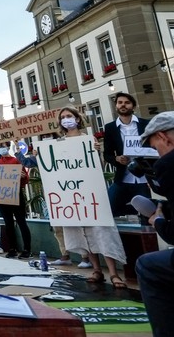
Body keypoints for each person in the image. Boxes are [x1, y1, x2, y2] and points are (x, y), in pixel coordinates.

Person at [58, 107, 128, 289]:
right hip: (72, 193)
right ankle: (96, 270)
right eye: (63, 117)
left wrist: (95, 151)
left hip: (91, 192)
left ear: (77, 119)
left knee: (102, 230)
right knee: (85, 232)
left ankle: (113, 272)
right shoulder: (58, 144)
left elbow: (97, 166)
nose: (66, 119)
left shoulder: (89, 140)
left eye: (69, 116)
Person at [135, 111, 174, 337]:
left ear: (164, 137)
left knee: (147, 266)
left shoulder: (169, 164)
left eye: (155, 147)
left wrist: (158, 220)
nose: (157, 154)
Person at [103, 92, 150, 220]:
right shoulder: (110, 128)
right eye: (120, 102)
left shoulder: (145, 124)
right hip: (123, 178)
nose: (123, 105)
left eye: (127, 103)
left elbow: (154, 147)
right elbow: (107, 154)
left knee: (148, 215)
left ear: (133, 106)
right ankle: (135, 212)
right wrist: (117, 159)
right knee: (109, 209)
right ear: (116, 106)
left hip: (143, 179)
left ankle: (143, 217)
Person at [0, 143, 32, 259]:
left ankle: (27, 249)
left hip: (16, 194)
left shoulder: (16, 161)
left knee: (21, 222)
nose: (1, 148)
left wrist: (22, 176)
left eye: (3, 146)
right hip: (2, 196)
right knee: (8, 223)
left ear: (8, 147)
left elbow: (26, 179)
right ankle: (12, 249)